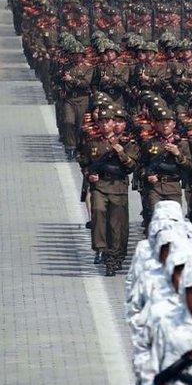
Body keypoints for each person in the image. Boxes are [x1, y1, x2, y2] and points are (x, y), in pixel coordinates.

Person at [80, 105, 139, 275]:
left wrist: (121, 153)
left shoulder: (126, 143)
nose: (105, 125)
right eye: (102, 122)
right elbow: (84, 161)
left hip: (118, 187)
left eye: (108, 121)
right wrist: (89, 175)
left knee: (116, 226)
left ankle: (113, 258)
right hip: (100, 186)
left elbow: (131, 167)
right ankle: (101, 247)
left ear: (114, 123)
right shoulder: (93, 141)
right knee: (97, 210)